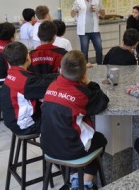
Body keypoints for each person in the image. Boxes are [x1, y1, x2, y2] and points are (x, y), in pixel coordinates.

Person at [41, 50, 109, 190]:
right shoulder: (82, 93)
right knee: (100, 140)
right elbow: (102, 101)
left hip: (47, 145)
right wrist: (90, 83)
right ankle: (85, 181)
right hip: (69, 150)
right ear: (84, 74)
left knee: (70, 133)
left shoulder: (51, 86)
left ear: (60, 70)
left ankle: (73, 176)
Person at [0, 42, 57, 135]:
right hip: (26, 126)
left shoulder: (12, 73)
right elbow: (47, 85)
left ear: (8, 61)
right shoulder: (26, 82)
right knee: (62, 116)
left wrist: (56, 76)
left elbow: (39, 79)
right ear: (28, 57)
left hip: (11, 121)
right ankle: (62, 147)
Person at [71, 0, 105, 66]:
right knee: (84, 51)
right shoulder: (78, 0)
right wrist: (75, 10)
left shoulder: (97, 0)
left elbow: (103, 15)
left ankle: (100, 65)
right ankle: (85, 67)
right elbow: (72, 15)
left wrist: (98, 9)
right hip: (83, 31)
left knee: (99, 49)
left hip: (94, 30)